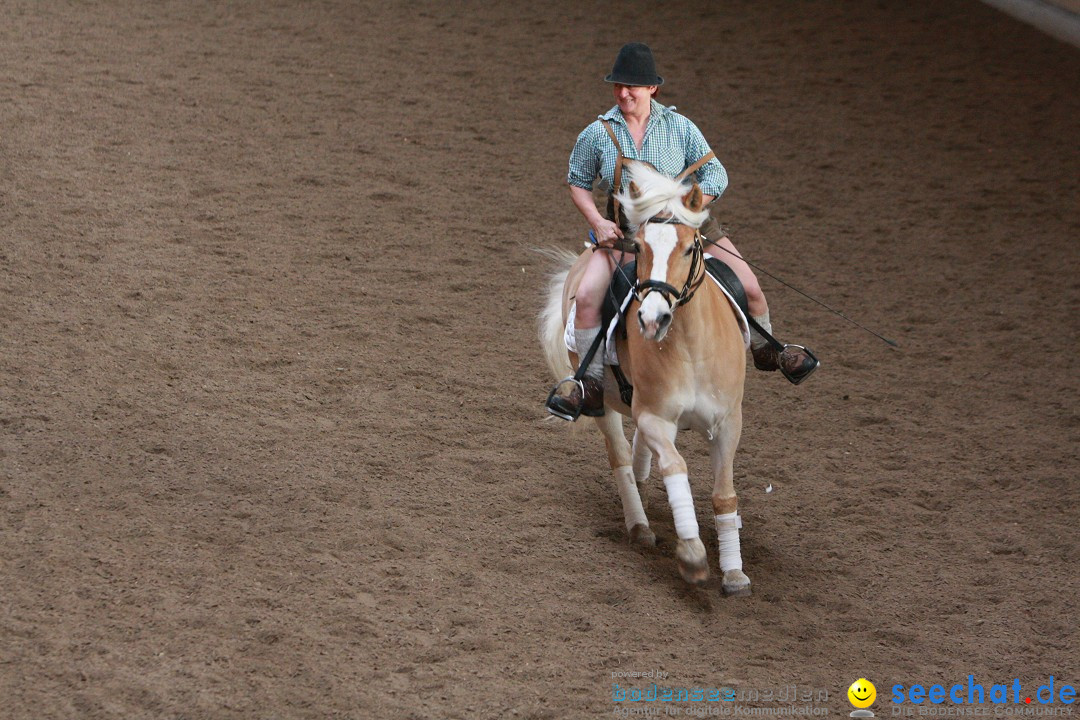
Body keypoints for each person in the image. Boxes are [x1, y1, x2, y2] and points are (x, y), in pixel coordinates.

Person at [556, 42, 817, 418]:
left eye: (631, 86)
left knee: (752, 287)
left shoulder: (680, 127)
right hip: (630, 234)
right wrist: (597, 221)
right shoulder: (597, 133)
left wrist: (689, 208)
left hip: (687, 229)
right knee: (585, 299)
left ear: (652, 89)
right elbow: (577, 181)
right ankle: (590, 382)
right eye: (618, 86)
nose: (623, 93)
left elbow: (717, 174)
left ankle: (769, 348)